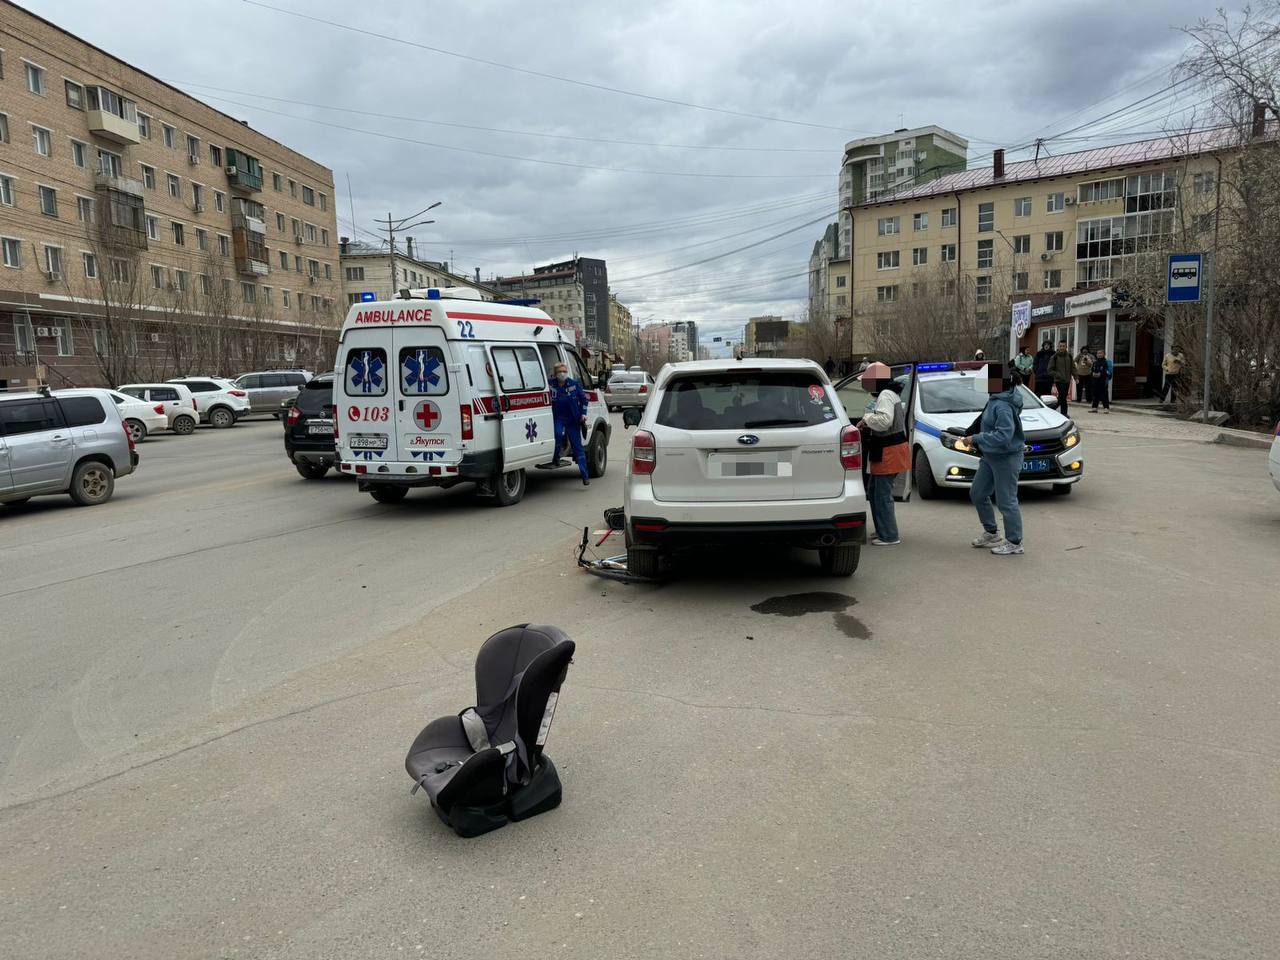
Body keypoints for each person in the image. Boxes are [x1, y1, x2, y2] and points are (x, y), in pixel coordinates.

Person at [964, 365, 1026, 556]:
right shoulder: (996, 399)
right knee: (978, 493)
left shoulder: (1003, 405)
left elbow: (1004, 436)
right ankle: (991, 532)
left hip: (1006, 458)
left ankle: (1014, 541)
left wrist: (976, 438)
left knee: (1006, 501)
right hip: (990, 456)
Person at [856, 362, 910, 546]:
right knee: (874, 490)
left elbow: (885, 421)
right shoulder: (888, 394)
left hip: (889, 451)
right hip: (888, 450)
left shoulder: (886, 395)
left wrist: (866, 418)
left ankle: (889, 535)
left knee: (881, 494)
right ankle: (882, 530)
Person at [548, 362, 591, 485]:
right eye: (560, 371)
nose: (562, 373)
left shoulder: (574, 384)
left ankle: (585, 476)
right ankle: (556, 458)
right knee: (557, 435)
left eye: (564, 371)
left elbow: (584, 400)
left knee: (577, 447)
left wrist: (583, 413)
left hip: (573, 419)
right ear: (555, 374)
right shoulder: (550, 384)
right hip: (558, 417)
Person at [1048, 340, 1074, 417]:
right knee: (1063, 397)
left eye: (1063, 346)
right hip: (1059, 380)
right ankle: (1064, 413)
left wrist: (1076, 377)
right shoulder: (1054, 357)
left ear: (1066, 347)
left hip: (1067, 380)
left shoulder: (1069, 356)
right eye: (1060, 346)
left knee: (1062, 398)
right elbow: (1050, 370)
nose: (1062, 347)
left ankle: (1051, 408)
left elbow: (1073, 367)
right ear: (1058, 347)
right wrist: (1057, 375)